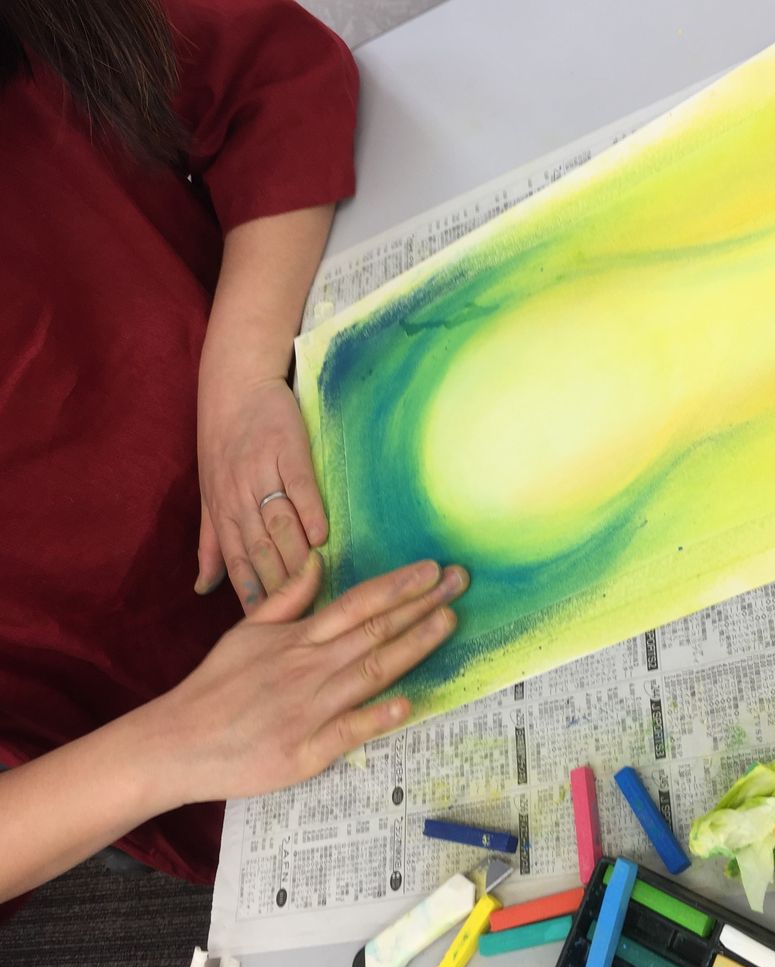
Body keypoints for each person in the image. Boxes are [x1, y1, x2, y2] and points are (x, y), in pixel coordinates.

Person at [0, 0, 466, 906]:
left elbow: (270, 74)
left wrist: (241, 377)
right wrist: (175, 743)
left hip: (304, 411)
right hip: (121, 731)